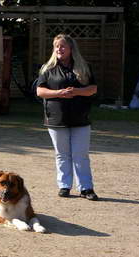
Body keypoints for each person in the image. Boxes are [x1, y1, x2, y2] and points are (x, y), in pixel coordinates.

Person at [36, 34, 99, 201]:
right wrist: (59, 93)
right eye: (56, 46)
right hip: (56, 119)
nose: (59, 49)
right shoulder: (47, 69)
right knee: (62, 154)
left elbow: (93, 89)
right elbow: (40, 91)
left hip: (80, 119)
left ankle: (86, 188)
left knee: (81, 154)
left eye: (63, 46)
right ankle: (64, 186)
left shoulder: (84, 67)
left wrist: (76, 91)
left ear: (71, 49)